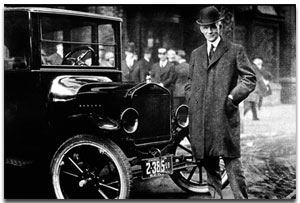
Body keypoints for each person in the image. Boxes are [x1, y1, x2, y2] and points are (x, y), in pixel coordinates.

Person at [186, 6, 256, 199]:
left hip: (224, 116)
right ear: (201, 29)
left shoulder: (235, 50)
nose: (210, 31)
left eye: (213, 26)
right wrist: (192, 99)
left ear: (220, 25)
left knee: (232, 164)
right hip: (202, 119)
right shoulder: (196, 54)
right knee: (210, 165)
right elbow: (190, 82)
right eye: (206, 27)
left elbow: (249, 79)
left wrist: (233, 98)